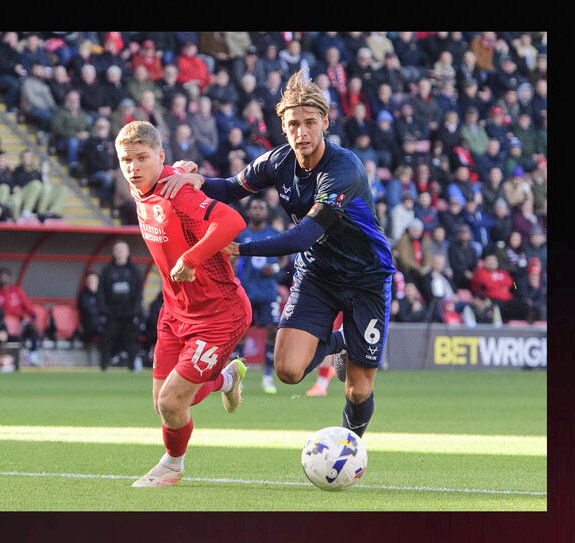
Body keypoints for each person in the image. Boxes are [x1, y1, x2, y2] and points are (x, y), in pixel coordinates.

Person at [160, 68, 395, 438]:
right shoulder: (277, 161)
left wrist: (239, 247)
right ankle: (342, 342)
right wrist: (198, 180)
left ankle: (350, 447)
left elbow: (303, 235)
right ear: (283, 127)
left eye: (309, 123)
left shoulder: (344, 168)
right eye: (293, 125)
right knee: (287, 371)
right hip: (318, 275)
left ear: (325, 123)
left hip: (367, 278)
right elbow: (232, 188)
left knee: (357, 389)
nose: (301, 132)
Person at [114, 120, 251, 487]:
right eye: (127, 160)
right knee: (162, 402)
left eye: (143, 158)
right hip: (174, 311)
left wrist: (190, 260)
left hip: (219, 313)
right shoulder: (139, 187)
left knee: (172, 403)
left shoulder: (177, 192)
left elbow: (232, 220)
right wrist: (184, 169)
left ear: (160, 156)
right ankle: (226, 380)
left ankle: (172, 467)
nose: (134, 167)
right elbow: (173, 171)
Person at [235, 197, 287, 394]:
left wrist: (274, 267)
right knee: (241, 332)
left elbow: (283, 258)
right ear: (249, 211)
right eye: (254, 207)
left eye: (261, 208)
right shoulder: (241, 235)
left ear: (266, 212)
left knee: (272, 331)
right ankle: (238, 378)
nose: (257, 210)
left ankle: (267, 377)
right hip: (245, 291)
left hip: (267, 291)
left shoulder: (274, 234)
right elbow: (232, 258)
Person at [97, 240, 145, 371]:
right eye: (117, 250)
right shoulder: (107, 271)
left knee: (131, 340)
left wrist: (135, 310)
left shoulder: (134, 271)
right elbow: (101, 292)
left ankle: (131, 366)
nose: (120, 253)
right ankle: (104, 366)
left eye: (122, 250)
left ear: (128, 252)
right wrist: (105, 310)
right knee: (107, 339)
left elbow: (139, 292)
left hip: (129, 313)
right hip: (112, 313)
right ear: (113, 252)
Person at [0, 267, 42, 365]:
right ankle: (9, 358)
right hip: (2, 325)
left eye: (4, 276)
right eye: (0, 276)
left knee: (34, 330)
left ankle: (32, 355)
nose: (2, 279)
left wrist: (32, 320)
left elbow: (29, 309)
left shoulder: (17, 291)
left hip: (20, 323)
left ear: (9, 278)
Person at [51, 90, 92, 175]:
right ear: (67, 100)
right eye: (72, 99)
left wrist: (87, 134)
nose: (74, 101)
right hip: (64, 139)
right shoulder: (60, 112)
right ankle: (73, 166)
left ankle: (90, 167)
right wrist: (75, 135)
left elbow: (89, 128)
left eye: (76, 99)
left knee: (93, 142)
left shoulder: (82, 113)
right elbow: (57, 128)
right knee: (73, 142)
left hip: (81, 139)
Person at [79, 116, 118, 206]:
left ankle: (118, 207)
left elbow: (118, 159)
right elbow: (91, 161)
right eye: (98, 126)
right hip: (95, 172)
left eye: (103, 127)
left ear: (108, 129)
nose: (101, 129)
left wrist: (117, 171)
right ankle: (103, 199)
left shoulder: (112, 143)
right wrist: (108, 170)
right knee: (107, 178)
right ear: (95, 128)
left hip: (112, 171)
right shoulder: (90, 142)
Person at [77, 271, 105, 367]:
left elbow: (105, 309)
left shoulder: (102, 295)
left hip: (102, 325)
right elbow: (88, 311)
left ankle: (113, 358)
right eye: (90, 280)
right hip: (89, 326)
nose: (92, 282)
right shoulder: (83, 296)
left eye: (94, 280)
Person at [20, 62, 58, 133]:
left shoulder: (44, 84)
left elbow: (50, 99)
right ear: (33, 70)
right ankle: (45, 134)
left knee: (58, 115)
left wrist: (54, 108)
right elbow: (31, 99)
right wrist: (45, 107)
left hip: (46, 108)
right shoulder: (28, 82)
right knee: (48, 116)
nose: (40, 71)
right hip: (32, 108)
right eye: (38, 69)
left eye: (41, 69)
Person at [448, 224, 478, 290]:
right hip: (458, 275)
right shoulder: (453, 248)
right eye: (461, 232)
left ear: (470, 235)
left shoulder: (472, 249)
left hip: (470, 275)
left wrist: (472, 273)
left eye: (466, 232)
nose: (464, 235)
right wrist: (464, 272)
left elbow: (474, 264)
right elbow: (453, 264)